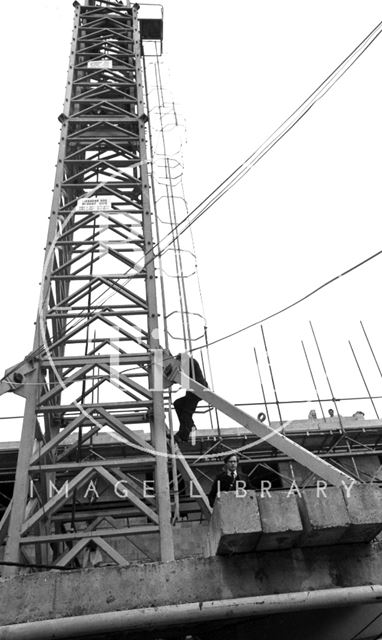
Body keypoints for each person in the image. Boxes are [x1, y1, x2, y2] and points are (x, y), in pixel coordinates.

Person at [171, 354, 208, 444]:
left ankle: (188, 428)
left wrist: (173, 377)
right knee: (178, 404)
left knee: (186, 413)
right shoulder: (189, 363)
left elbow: (183, 377)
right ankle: (184, 433)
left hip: (197, 390)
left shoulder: (190, 362)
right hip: (194, 391)